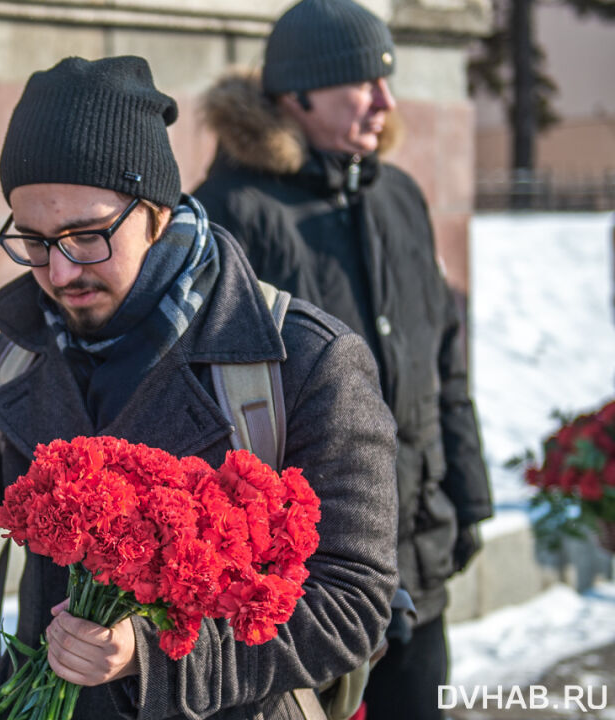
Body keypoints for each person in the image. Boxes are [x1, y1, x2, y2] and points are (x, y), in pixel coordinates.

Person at [0, 55, 400, 719]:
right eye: (33, 240)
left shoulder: (303, 362)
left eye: (87, 237)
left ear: (155, 211)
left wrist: (149, 656)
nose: (60, 272)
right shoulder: (22, 355)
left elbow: (351, 603)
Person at [192, 2, 494, 718]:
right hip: (310, 594)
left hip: (419, 554)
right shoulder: (232, 212)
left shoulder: (399, 195)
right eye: (364, 84)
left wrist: (468, 493)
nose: (386, 103)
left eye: (386, 82)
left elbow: (443, 354)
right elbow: (216, 413)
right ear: (297, 96)